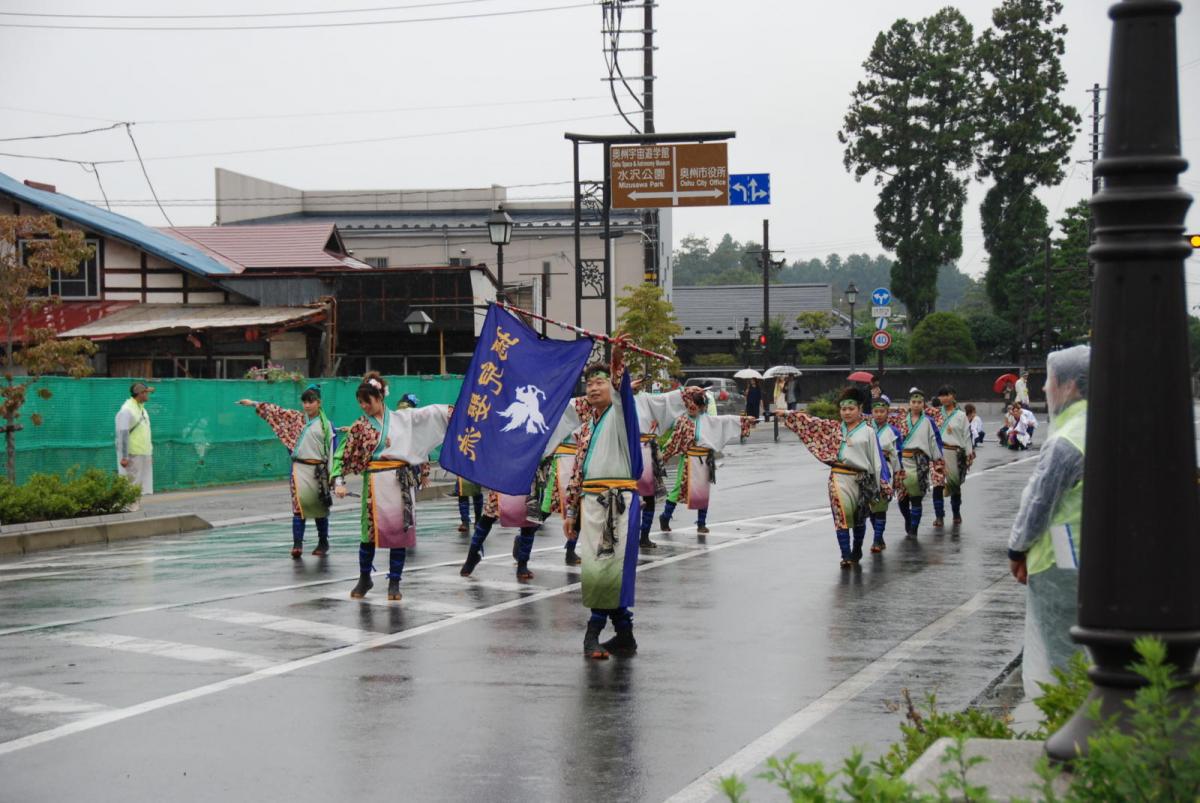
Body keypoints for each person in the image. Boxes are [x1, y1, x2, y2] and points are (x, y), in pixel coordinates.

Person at [1007, 346, 1090, 697]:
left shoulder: (1068, 437)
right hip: (1097, 559)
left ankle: (1072, 732)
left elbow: (1039, 502)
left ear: (1069, 385)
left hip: (1061, 558)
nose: (1043, 389)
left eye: (1050, 381)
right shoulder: (1106, 422)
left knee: (1064, 659)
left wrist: (1016, 549)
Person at [331, 372, 451, 601]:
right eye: (360, 402)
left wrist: (451, 412)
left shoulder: (402, 418)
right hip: (373, 483)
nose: (364, 406)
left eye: (368, 401)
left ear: (380, 398)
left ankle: (394, 582)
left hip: (399, 480)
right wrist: (339, 481)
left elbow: (429, 414)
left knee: (399, 532)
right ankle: (364, 577)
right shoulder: (360, 427)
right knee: (368, 534)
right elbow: (341, 455)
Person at [562, 336, 642, 660]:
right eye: (589, 384)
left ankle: (591, 635)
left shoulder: (619, 417)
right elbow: (578, 473)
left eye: (600, 383)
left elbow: (622, 388)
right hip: (591, 503)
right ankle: (624, 634)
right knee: (603, 570)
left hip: (616, 504)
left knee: (605, 569)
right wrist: (570, 513)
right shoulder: (587, 428)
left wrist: (617, 357)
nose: (594, 389)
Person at [777, 387, 890, 567]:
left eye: (851, 409)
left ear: (860, 409)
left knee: (859, 517)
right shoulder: (833, 428)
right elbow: (812, 423)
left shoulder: (868, 431)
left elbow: (877, 460)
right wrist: (787, 414)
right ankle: (845, 555)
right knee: (841, 516)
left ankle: (857, 548)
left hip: (860, 478)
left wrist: (881, 484)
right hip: (838, 477)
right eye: (843, 409)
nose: (846, 412)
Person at [237, 385, 334, 558]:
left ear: (319, 403)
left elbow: (333, 452)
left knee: (319, 507)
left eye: (310, 401)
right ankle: (297, 543)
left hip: (319, 470)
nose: (307, 405)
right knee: (298, 507)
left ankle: (323, 541)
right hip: (299, 468)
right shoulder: (296, 418)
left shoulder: (327, 426)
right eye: (304, 402)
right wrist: (253, 403)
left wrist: (334, 475)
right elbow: (277, 412)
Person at [658, 387, 755, 535]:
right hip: (688, 460)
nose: (692, 409)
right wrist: (662, 457)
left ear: (702, 407)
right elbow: (673, 442)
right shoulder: (683, 421)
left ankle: (701, 523)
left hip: (704, 460)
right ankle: (665, 517)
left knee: (703, 492)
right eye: (690, 405)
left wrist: (745, 420)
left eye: (696, 405)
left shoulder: (709, 420)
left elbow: (727, 420)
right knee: (677, 490)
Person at [889, 388, 945, 537]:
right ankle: (908, 519)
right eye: (913, 402)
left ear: (923, 404)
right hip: (902, 461)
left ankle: (914, 528)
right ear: (909, 403)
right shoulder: (900, 419)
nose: (916, 404)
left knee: (916, 496)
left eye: (919, 402)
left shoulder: (928, 421)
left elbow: (934, 441)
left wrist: (938, 461)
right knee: (902, 497)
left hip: (919, 461)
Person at [931, 385, 975, 528]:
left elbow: (967, 436)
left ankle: (956, 512)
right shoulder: (935, 414)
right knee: (937, 485)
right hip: (938, 452)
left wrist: (969, 454)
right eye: (942, 395)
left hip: (954, 452)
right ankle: (939, 516)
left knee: (954, 485)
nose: (944, 398)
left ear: (953, 396)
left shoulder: (961, 415)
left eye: (947, 395)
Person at [868, 398, 902, 553]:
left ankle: (876, 540)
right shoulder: (867, 429)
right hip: (869, 470)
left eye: (882, 411)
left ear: (887, 412)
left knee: (881, 505)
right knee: (871, 507)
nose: (879, 415)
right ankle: (879, 537)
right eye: (876, 412)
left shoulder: (893, 431)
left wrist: (898, 473)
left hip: (885, 469)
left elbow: (897, 454)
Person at [115, 381, 154, 508]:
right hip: (133, 452)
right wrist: (124, 456)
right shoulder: (127, 410)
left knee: (139, 481)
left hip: (142, 451)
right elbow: (123, 433)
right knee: (133, 481)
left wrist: (149, 453)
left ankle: (133, 505)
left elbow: (145, 432)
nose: (148, 395)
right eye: (146, 392)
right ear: (140, 393)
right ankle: (129, 507)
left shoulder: (140, 408)